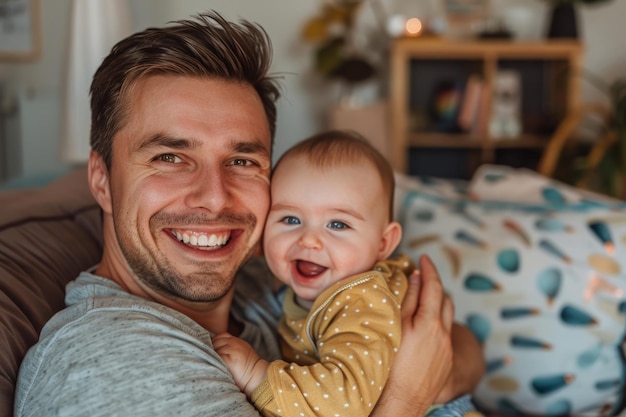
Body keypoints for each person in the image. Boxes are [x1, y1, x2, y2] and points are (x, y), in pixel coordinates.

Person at [14, 11, 484, 417]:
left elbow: (456, 343)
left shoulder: (270, 276)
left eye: (242, 161)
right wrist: (405, 392)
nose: (215, 198)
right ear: (101, 180)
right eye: (170, 158)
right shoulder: (114, 359)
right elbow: (427, 352)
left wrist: (426, 364)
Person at [213, 130, 480, 416]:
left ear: (383, 244)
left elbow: (344, 405)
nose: (309, 240)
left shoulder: (362, 300)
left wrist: (257, 375)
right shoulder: (286, 285)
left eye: (338, 225)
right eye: (290, 219)